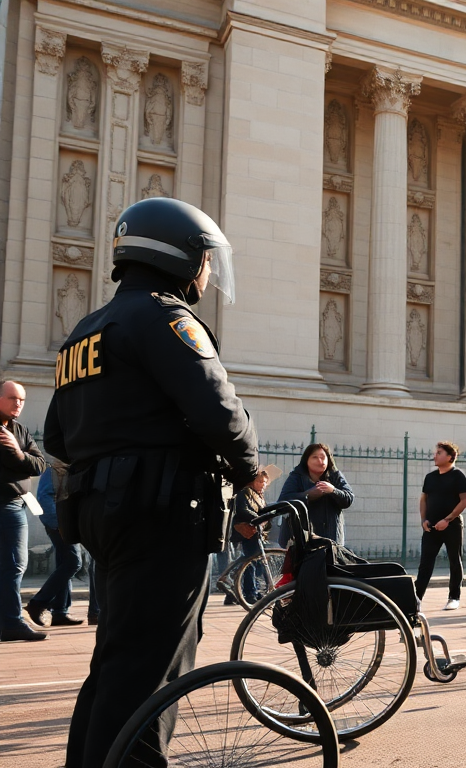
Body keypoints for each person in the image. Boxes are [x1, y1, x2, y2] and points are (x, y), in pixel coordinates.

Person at [45, 197, 258, 766]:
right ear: (181, 256)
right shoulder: (167, 318)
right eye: (206, 260)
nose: (209, 272)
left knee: (115, 661)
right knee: (153, 669)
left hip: (102, 512)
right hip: (162, 511)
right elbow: (221, 412)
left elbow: (57, 438)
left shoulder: (85, 333)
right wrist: (248, 470)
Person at [0, 381, 46, 643]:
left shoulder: (20, 430)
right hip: (6, 504)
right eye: (13, 398)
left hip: (17, 503)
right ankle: (12, 623)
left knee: (12, 565)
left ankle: (9, 622)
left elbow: (39, 464)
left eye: (22, 400)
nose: (18, 403)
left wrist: (17, 454)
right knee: (16, 564)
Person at [416, 441, 466, 609]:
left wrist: (447, 519)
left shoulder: (458, 476)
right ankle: (416, 598)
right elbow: (424, 499)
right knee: (425, 563)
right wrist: (424, 520)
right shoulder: (430, 477)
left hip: (452, 526)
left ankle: (454, 597)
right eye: (436, 452)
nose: (435, 455)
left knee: (455, 560)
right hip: (431, 527)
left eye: (439, 453)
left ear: (450, 457)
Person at [26, 464, 80, 631]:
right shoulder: (55, 469)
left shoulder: (70, 467)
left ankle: (60, 611)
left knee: (64, 563)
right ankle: (38, 602)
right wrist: (58, 524)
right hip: (59, 524)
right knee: (73, 562)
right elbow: (43, 496)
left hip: (67, 523)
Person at [278, 443, 353, 546]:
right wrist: (308, 495)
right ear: (307, 460)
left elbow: (348, 498)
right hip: (301, 541)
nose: (320, 461)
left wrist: (333, 491)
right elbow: (283, 501)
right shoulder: (296, 476)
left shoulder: (335, 476)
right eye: (315, 457)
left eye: (323, 457)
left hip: (331, 540)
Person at [227, 468, 275, 605]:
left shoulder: (259, 495)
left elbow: (262, 510)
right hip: (246, 532)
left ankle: (242, 591)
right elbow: (243, 510)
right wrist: (259, 518)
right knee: (250, 563)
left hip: (255, 533)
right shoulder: (245, 492)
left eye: (265, 482)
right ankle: (249, 593)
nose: (262, 484)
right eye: (259, 481)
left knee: (253, 562)